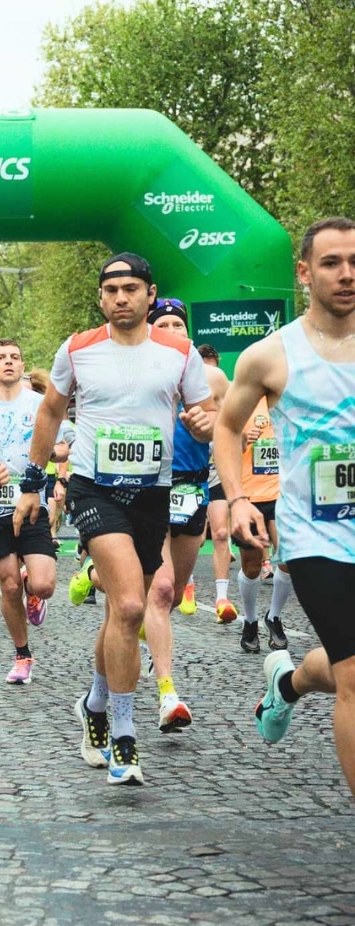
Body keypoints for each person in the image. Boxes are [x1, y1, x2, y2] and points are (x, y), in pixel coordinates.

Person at [14, 253, 216, 786]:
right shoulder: (78, 349)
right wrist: (32, 485)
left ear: (151, 295)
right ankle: (124, 739)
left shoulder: (179, 350)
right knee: (129, 604)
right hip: (93, 489)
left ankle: (96, 705)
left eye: (131, 288)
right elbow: (51, 412)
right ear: (101, 298)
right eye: (111, 290)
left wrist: (202, 422)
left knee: (122, 618)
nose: (121, 297)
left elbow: (207, 419)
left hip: (153, 493)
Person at [232, 216, 355, 799]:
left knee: (344, 663)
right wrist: (236, 499)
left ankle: (288, 681)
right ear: (304, 273)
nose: (347, 274)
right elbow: (227, 429)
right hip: (317, 536)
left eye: (354, 262)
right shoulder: (269, 356)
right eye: (332, 262)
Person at [138, 299, 230, 729]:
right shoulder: (139, 373)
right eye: (164, 324)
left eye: (179, 323)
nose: (173, 329)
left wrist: (218, 428)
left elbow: (231, 429)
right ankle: (167, 693)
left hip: (192, 486)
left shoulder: (209, 377)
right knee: (158, 592)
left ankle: (141, 625)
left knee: (173, 594)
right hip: (149, 486)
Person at [0, 339, 59, 685]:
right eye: (0, 358)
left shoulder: (42, 405)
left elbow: (63, 445)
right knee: (9, 587)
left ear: (23, 366)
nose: (8, 363)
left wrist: (56, 454)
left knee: (44, 584)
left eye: (15, 358)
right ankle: (22, 654)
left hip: (32, 502)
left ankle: (32, 585)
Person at [231, 385, 286, 653]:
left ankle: (274, 616)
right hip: (249, 496)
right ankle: (251, 620)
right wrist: (241, 437)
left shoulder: (287, 403)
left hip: (282, 495)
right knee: (252, 567)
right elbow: (223, 439)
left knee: (289, 560)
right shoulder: (242, 401)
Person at [196, 345, 240, 623]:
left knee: (222, 534)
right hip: (190, 475)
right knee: (195, 537)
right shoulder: (187, 395)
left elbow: (235, 429)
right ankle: (185, 586)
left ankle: (222, 598)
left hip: (217, 476)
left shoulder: (223, 392)